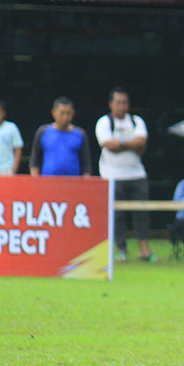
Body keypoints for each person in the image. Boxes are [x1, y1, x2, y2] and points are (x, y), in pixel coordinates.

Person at [96, 87, 154, 263]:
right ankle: (121, 249)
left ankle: (144, 249)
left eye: (125, 103)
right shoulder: (104, 122)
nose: (122, 106)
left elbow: (142, 142)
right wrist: (130, 143)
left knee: (142, 213)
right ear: (111, 104)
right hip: (112, 175)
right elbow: (109, 146)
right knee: (117, 214)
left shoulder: (137, 121)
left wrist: (120, 142)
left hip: (136, 174)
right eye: (118, 103)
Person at [30, 97, 92, 177]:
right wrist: (35, 180)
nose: (65, 117)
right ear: (53, 113)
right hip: (48, 183)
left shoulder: (80, 134)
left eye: (68, 113)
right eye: (62, 113)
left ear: (73, 113)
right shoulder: (43, 132)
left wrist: (85, 184)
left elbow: (86, 164)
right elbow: (34, 160)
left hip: (73, 184)